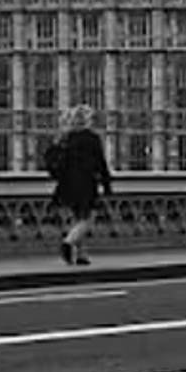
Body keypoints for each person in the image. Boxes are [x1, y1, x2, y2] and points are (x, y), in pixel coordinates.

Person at [48, 104, 112, 266]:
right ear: (86, 120)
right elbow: (101, 163)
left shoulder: (65, 137)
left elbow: (50, 158)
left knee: (77, 218)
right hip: (85, 183)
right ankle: (68, 243)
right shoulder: (91, 138)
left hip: (66, 184)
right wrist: (107, 185)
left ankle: (81, 255)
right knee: (88, 219)